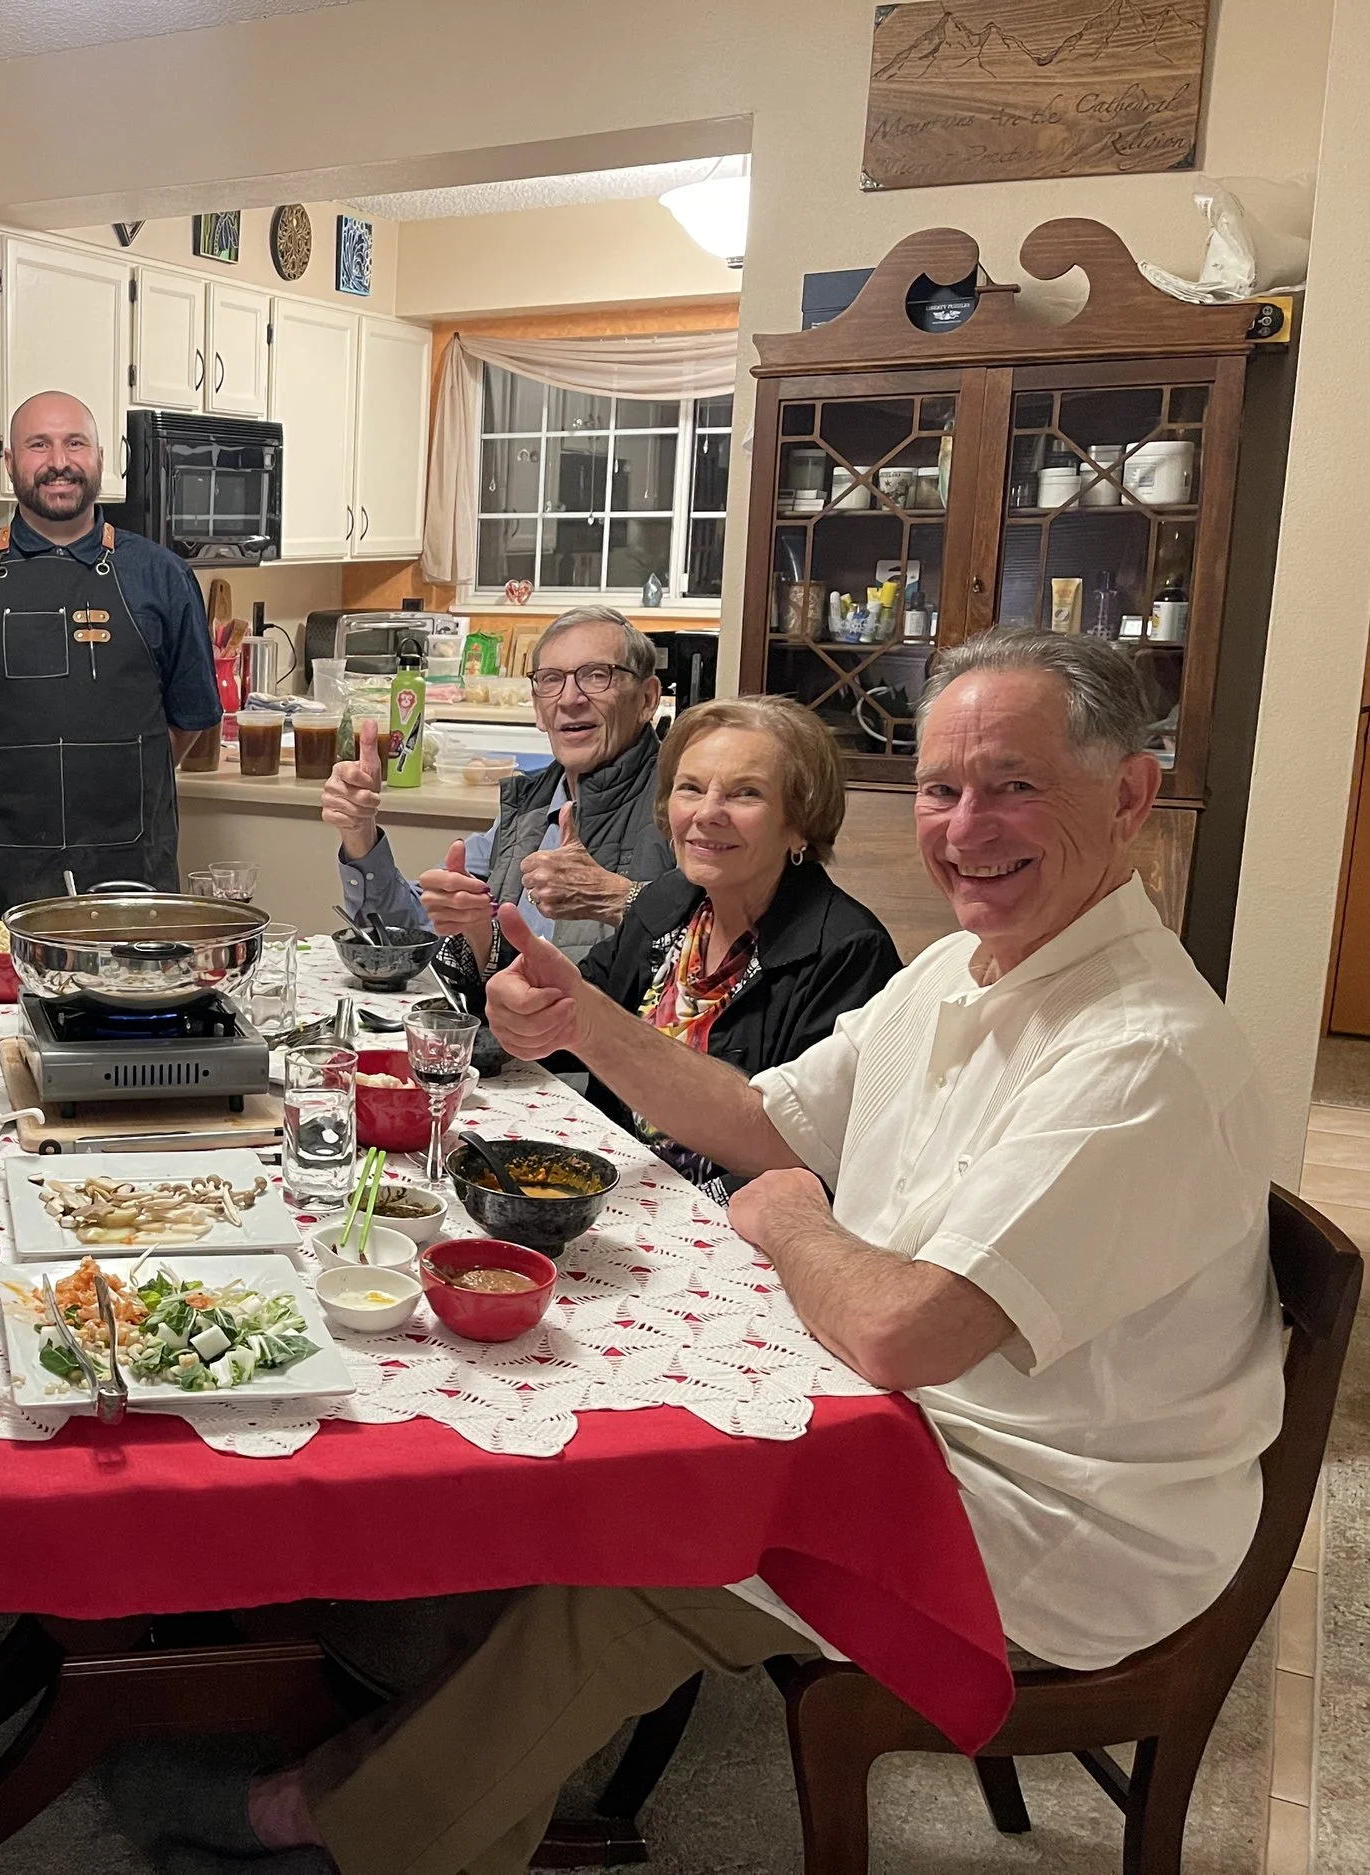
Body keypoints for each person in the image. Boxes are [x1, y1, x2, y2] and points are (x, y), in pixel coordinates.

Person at [199, 632, 1283, 1873]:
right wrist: (578, 1021)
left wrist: (791, 1217)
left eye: (1014, 783)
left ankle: (359, 1833)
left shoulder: (1136, 1051)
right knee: (574, 1465)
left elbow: (900, 1326)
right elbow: (766, 1116)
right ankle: (406, 1777)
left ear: (1130, 796)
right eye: (940, 789)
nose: (966, 824)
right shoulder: (962, 971)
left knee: (630, 1557)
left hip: (1050, 1518)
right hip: (910, 1424)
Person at [0, 389, 222, 911]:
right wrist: (3, 773)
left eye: (75, 443)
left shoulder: (164, 579)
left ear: (100, 458)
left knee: (133, 993)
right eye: (38, 445)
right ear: (8, 461)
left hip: (132, 872)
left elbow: (187, 721)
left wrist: (121, 771)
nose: (59, 463)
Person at [574, 695, 900, 1199]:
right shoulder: (668, 903)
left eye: (745, 794)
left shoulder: (847, 953)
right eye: (690, 789)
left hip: (726, 1233)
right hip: (619, 1190)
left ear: (800, 822)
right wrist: (484, 949)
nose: (706, 814)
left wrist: (670, 1215)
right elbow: (569, 1019)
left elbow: (813, 1154)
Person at [322, 606, 675, 969]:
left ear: (647, 699)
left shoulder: (682, 802)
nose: (570, 699)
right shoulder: (530, 808)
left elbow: (725, 941)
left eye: (597, 675)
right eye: (552, 680)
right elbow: (410, 932)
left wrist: (617, 898)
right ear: (538, 708)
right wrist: (359, 834)